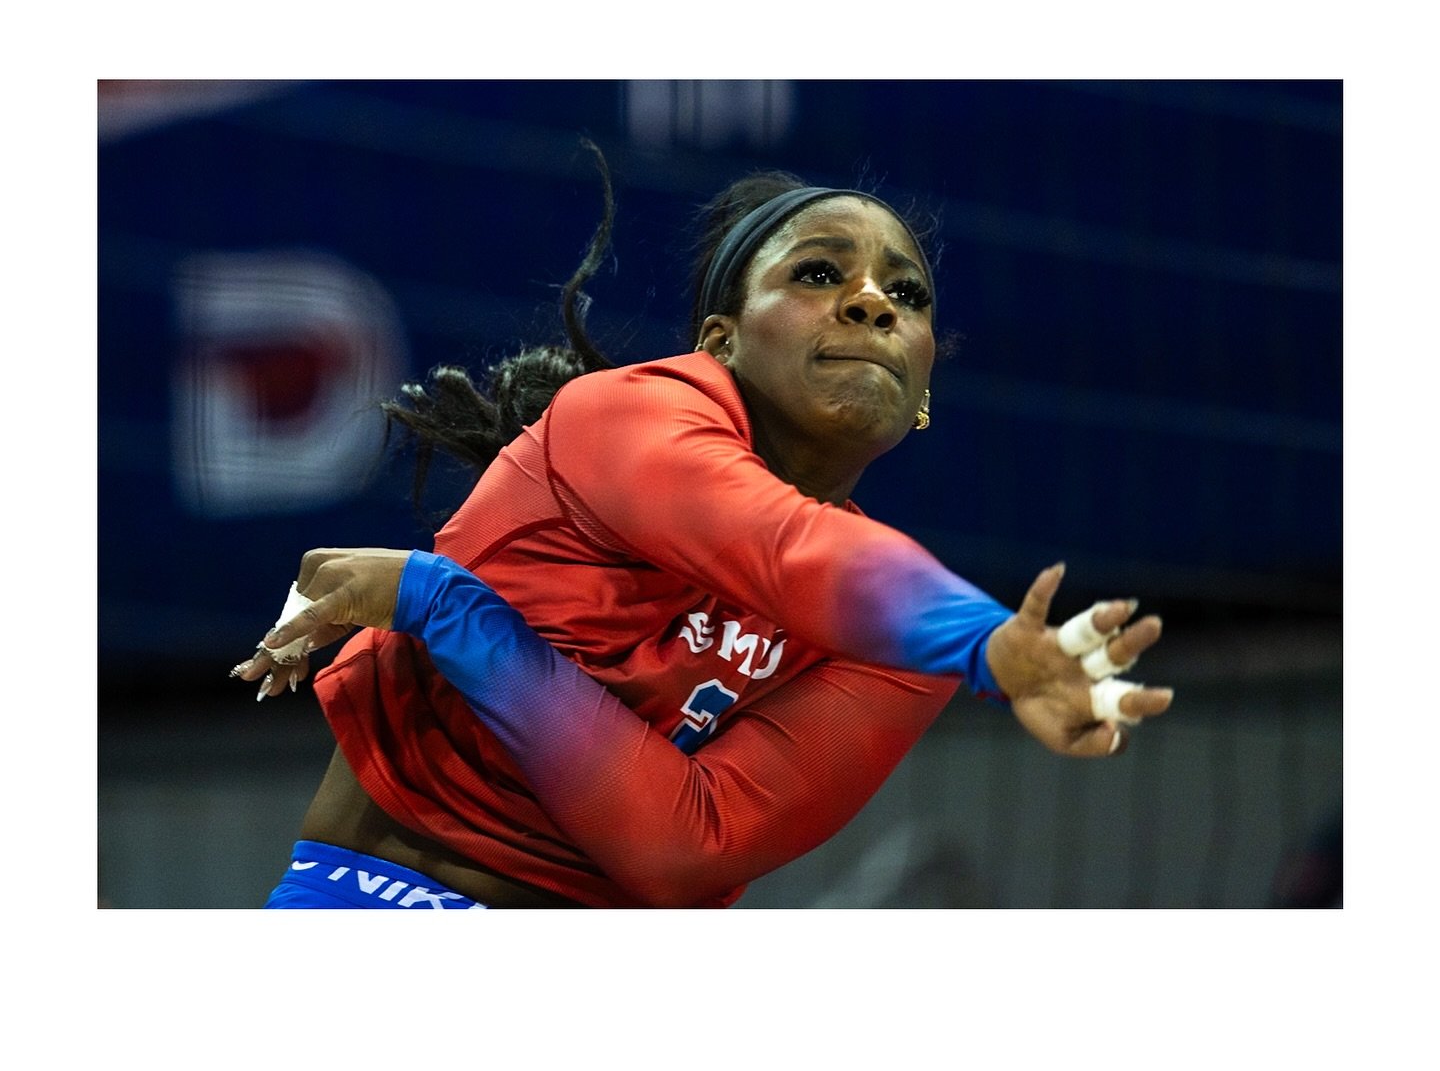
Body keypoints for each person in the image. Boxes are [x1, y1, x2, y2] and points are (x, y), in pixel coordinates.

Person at [234, 147, 1173, 909]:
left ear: (925, 393)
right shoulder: (628, 418)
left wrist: (444, 607)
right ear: (717, 342)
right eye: (818, 273)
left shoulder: (909, 642)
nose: (873, 302)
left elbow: (686, 847)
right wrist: (986, 644)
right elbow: (787, 552)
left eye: (908, 295)